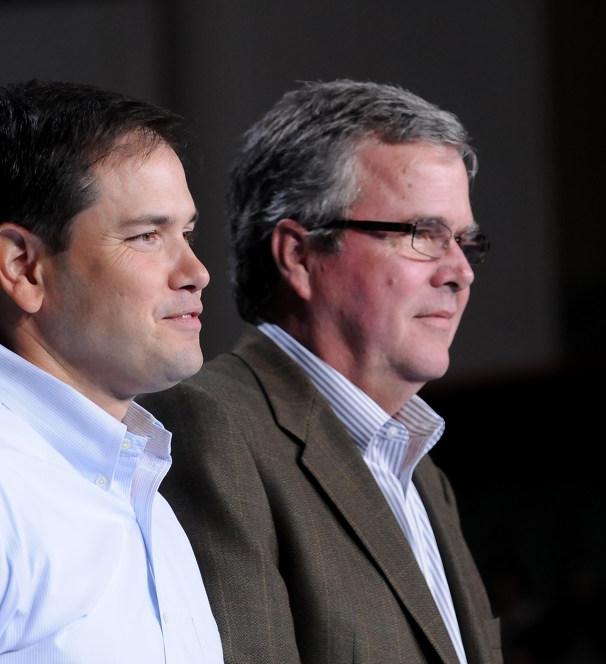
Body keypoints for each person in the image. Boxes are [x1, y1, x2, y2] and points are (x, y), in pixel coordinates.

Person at [138, 78, 502, 663]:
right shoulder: (213, 428)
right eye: (423, 236)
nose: (461, 271)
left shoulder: (420, 469)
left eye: (465, 241)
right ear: (299, 256)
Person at [0, 79, 223, 662]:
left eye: (187, 233)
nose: (195, 270)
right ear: (23, 267)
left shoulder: (148, 500)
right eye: (147, 236)